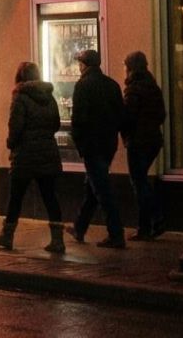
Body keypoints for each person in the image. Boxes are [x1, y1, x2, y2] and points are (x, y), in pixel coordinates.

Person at [0, 62, 65, 253]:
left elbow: (15, 126)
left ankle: (7, 235)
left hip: (25, 154)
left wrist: (10, 143)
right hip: (47, 152)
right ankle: (58, 239)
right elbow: (56, 123)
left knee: (16, 197)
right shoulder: (49, 97)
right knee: (50, 197)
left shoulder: (20, 97)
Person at [66, 49, 126, 248]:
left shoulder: (83, 86)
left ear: (84, 65)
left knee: (102, 190)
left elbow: (79, 119)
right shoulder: (112, 85)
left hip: (92, 146)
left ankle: (116, 234)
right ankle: (80, 227)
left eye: (80, 63)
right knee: (94, 186)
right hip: (108, 144)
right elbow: (121, 115)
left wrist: (80, 144)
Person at [121, 50, 167, 240]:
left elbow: (128, 117)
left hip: (138, 141)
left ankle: (150, 223)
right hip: (153, 139)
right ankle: (153, 222)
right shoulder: (153, 87)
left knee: (139, 183)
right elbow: (161, 114)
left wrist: (125, 131)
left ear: (131, 68)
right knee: (142, 181)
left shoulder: (133, 90)